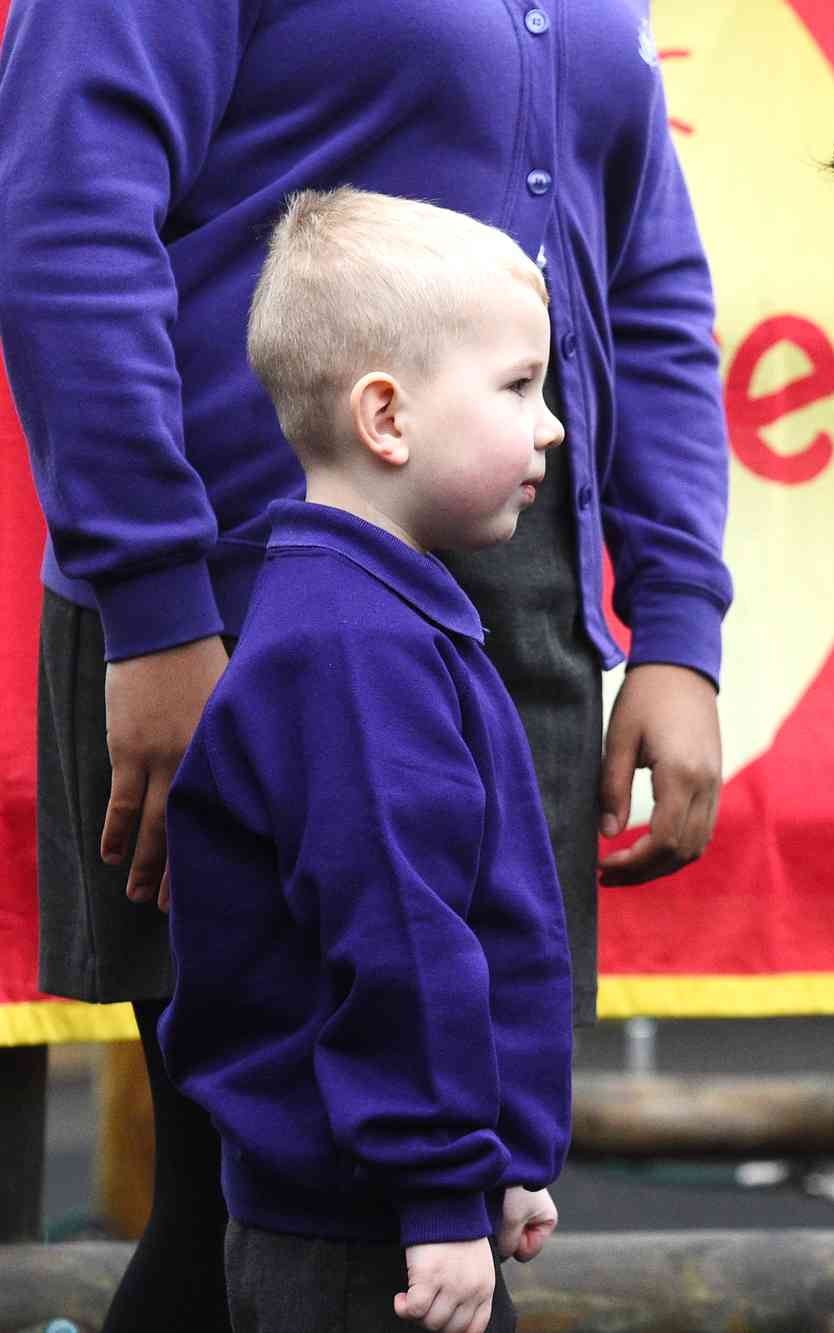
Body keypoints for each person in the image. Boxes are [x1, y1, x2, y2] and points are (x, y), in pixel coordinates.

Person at [0, 1, 730, 1323]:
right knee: (257, 1194)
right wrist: (157, 605)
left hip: (511, 610)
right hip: (236, 598)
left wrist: (679, 620)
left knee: (448, 1175)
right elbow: (65, 216)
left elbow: (652, 279)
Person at [160, 187, 572, 1333]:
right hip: (366, 1228)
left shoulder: (371, 615)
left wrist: (497, 1156)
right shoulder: (349, 650)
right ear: (385, 418)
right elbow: (397, 934)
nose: (548, 425)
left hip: (402, 1195)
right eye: (516, 387)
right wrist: (440, 1187)